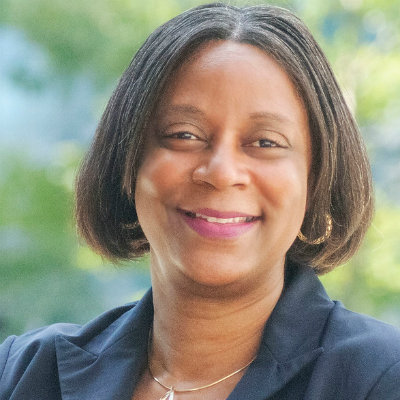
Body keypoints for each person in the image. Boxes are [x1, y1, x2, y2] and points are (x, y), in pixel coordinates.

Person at [1, 3, 400, 399]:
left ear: (316, 179)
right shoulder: (24, 372)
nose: (222, 172)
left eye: (265, 142)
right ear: (129, 159)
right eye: (184, 134)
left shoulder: (379, 377)